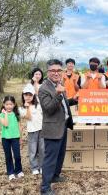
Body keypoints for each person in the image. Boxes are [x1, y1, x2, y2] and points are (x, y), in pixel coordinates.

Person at [39, 59, 73, 195]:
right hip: (52, 129)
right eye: (53, 70)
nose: (56, 73)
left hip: (62, 125)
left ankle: (55, 176)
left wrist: (74, 100)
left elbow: (63, 104)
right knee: (50, 158)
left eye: (59, 70)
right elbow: (48, 109)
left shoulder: (59, 83)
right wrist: (59, 94)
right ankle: (45, 188)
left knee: (60, 154)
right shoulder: (44, 89)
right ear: (48, 72)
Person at [19, 84, 44, 175]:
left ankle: (42, 166)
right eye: (26, 95)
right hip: (32, 131)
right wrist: (28, 107)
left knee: (42, 149)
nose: (28, 97)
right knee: (33, 150)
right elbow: (28, 117)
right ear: (23, 95)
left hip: (41, 129)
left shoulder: (38, 105)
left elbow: (43, 115)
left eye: (30, 95)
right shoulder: (21, 108)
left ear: (33, 96)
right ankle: (34, 167)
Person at [0, 95, 24, 181]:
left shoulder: (16, 114)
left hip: (15, 138)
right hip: (5, 139)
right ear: (3, 104)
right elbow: (5, 124)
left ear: (14, 104)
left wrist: (21, 137)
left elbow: (20, 127)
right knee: (8, 156)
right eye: (7, 104)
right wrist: (5, 114)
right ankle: (11, 172)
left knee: (17, 156)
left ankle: (18, 170)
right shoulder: (0, 115)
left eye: (11, 104)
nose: (9, 106)